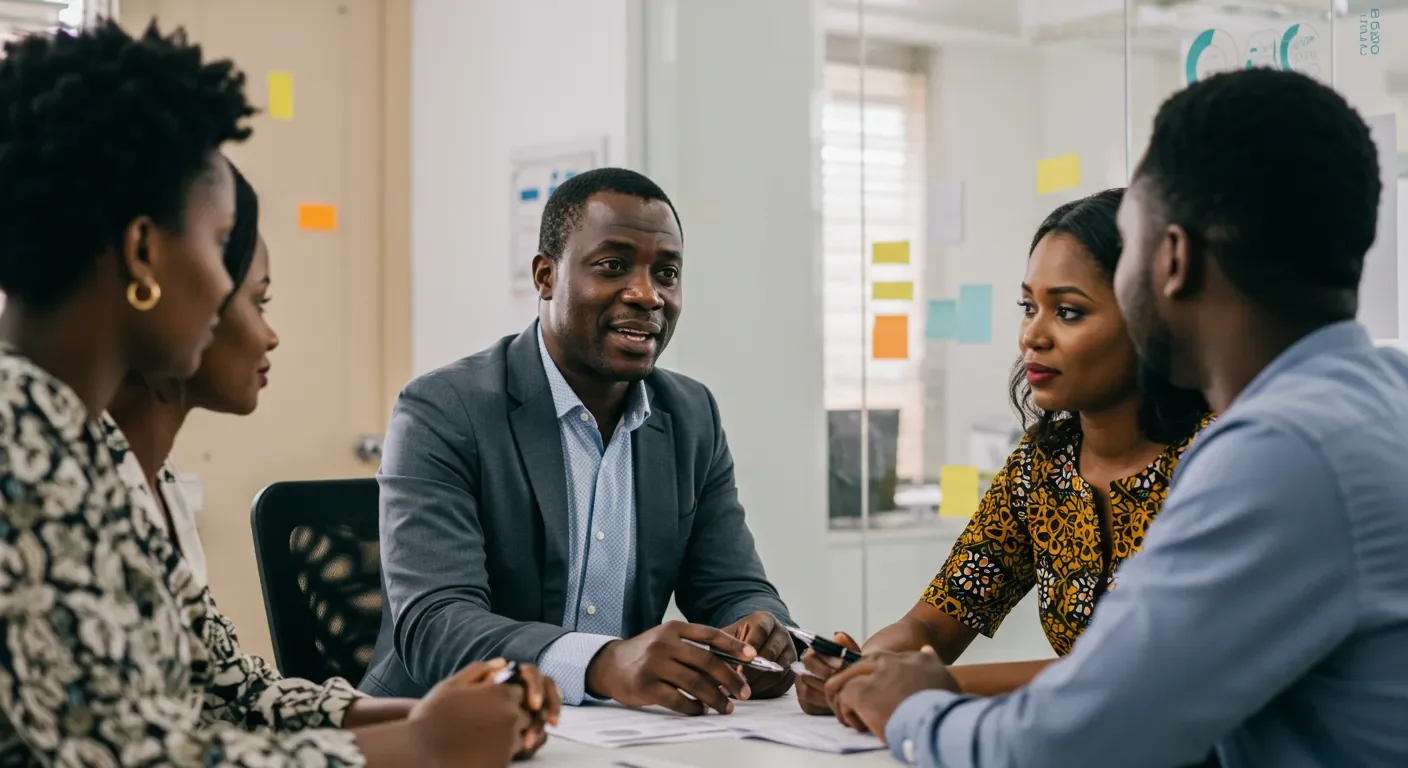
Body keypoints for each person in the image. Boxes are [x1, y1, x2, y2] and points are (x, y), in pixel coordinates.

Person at [0, 21, 554, 768]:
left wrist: (427, 716)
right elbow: (129, 757)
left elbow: (218, 686)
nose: (228, 291)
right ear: (143, 252)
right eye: (216, 240)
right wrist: (421, 746)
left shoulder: (84, 444)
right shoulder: (19, 443)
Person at [825, 68, 1408, 767]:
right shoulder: (1382, 397)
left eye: (1129, 243)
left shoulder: (1275, 453)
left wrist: (912, 707)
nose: (1035, 333)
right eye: (1029, 306)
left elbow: (1067, 742)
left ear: (1173, 259)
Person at [364, 167, 799, 715]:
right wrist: (602, 663)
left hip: (617, 737)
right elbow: (437, 624)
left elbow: (732, 588)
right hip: (444, 730)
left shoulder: (691, 416)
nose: (648, 295)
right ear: (546, 276)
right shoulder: (444, 409)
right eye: (613, 266)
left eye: (666, 273)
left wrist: (765, 634)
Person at [797, 189, 1210, 717]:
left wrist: (930, 687)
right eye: (1028, 307)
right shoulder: (1041, 467)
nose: (1032, 336)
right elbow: (934, 621)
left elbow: (1141, 671)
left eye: (1067, 311)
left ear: (1149, 322)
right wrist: (867, 668)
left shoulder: (1215, 463)